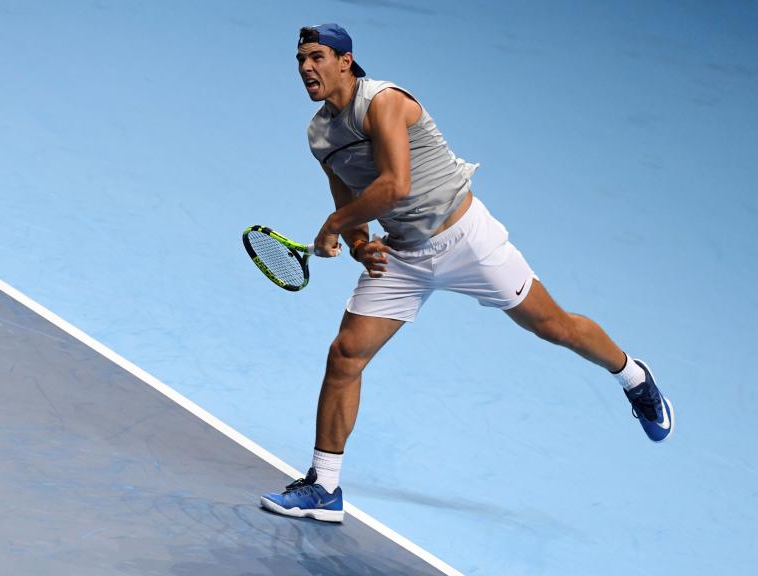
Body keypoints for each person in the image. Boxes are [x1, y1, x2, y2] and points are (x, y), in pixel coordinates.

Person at [260, 24, 674, 523]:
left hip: (466, 240)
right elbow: (346, 195)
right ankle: (324, 488)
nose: (306, 67)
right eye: (300, 58)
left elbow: (394, 185)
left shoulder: (385, 102)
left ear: (345, 61)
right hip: (403, 257)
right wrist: (358, 243)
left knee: (554, 326)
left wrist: (333, 226)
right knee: (344, 354)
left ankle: (633, 375)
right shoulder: (318, 134)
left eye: (317, 56)